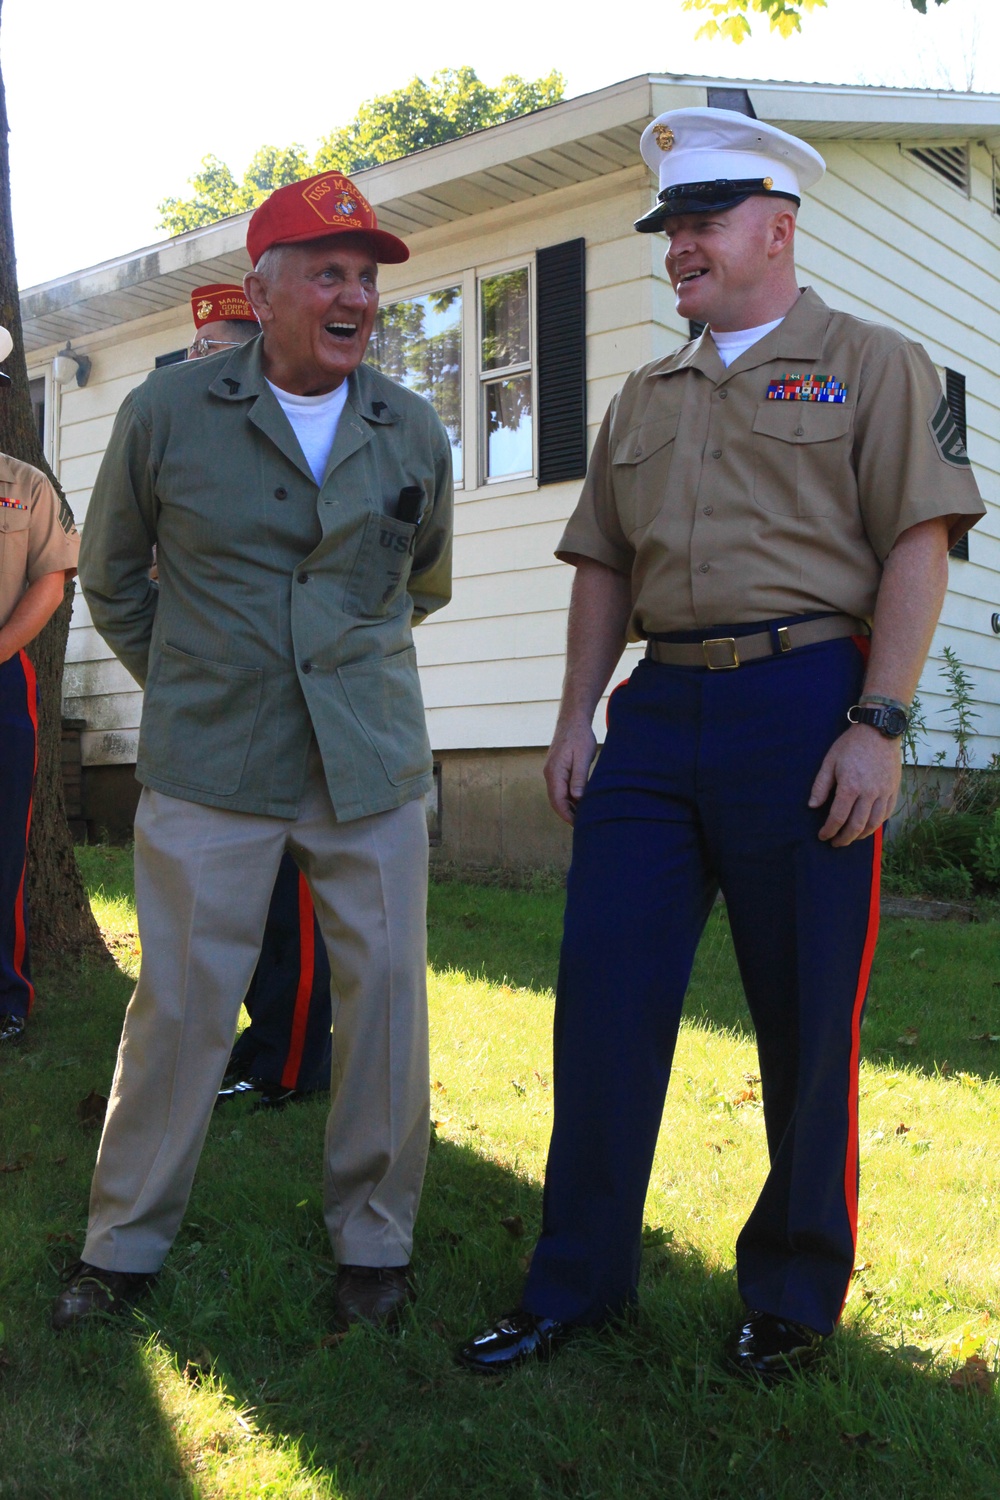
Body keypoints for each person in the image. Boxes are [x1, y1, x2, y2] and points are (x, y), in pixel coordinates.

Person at [457, 109, 985, 1379]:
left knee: (805, 1014)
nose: (676, 247)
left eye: (699, 224)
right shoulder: (646, 391)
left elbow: (919, 540)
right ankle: (575, 1283)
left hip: (806, 708)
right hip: (656, 714)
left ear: (776, 229)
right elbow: (599, 562)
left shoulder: (874, 362)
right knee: (601, 998)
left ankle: (793, 1296)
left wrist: (880, 721)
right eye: (670, 228)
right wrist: (576, 711)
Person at [54, 171, 453, 1333]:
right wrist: (188, 680)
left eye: (367, 278)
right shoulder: (166, 414)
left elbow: (416, 584)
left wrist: (338, 680)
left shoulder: (410, 425)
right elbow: (110, 576)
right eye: (328, 272)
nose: (355, 296)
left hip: (367, 765)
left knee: (383, 1009)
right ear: (264, 287)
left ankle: (374, 1247)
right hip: (210, 764)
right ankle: (120, 1249)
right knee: (179, 1007)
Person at [184, 282, 334, 1109]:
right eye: (200, 352)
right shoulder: (194, 447)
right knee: (230, 898)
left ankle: (291, 1057)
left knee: (293, 903)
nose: (209, 366)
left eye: (222, 349)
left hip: (295, 699)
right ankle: (260, 1041)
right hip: (213, 705)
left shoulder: (310, 434)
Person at [0, 326, 80, 1046]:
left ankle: (3, 998)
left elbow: (49, 585)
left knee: (2, 845)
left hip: (1, 679)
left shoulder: (27, 489)